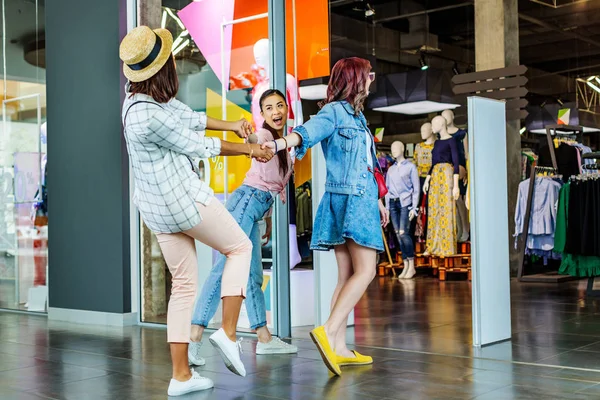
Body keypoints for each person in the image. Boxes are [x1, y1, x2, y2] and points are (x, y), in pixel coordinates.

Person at [119, 26, 274, 397]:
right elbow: (198, 144)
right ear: (163, 67)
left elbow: (189, 117)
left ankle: (181, 377)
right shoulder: (149, 117)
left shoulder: (140, 102)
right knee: (240, 248)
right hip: (183, 201)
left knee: (184, 286)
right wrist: (251, 150)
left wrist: (234, 125)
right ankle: (229, 333)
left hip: (156, 211)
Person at [263, 57, 389, 376]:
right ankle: (329, 329)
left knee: (347, 275)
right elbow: (306, 132)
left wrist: (380, 201)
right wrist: (278, 142)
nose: (372, 79)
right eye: (368, 75)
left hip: (353, 198)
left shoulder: (358, 118)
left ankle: (339, 346)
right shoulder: (334, 111)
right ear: (356, 78)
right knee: (366, 271)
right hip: (352, 201)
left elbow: (368, 166)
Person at [188, 89, 298, 366]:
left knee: (253, 274)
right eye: (269, 108)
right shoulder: (263, 137)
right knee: (225, 267)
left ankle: (263, 337)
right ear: (262, 114)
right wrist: (246, 135)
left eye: (280, 106)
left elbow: (273, 185)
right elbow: (253, 140)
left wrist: (268, 219)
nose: (276, 112)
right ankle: (193, 337)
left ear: (287, 109)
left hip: (257, 207)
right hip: (247, 202)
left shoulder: (285, 142)